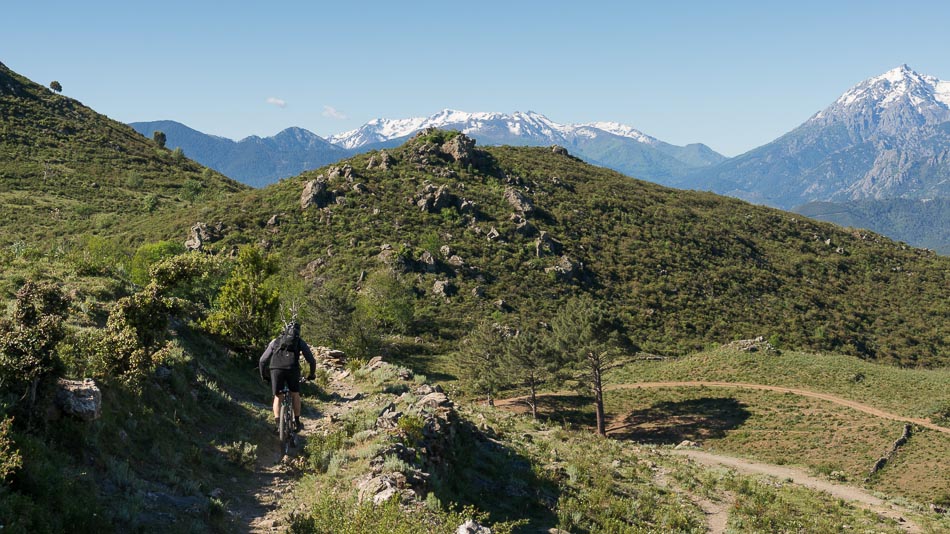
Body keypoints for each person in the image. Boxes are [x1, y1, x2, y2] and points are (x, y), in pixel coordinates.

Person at [259, 321, 317, 432]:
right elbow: (312, 361)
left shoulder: (275, 341)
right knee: (295, 394)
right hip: (292, 369)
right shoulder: (299, 342)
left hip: (275, 369)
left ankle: (277, 424)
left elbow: (262, 361)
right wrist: (311, 374)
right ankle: (297, 422)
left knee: (278, 396)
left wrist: (264, 376)